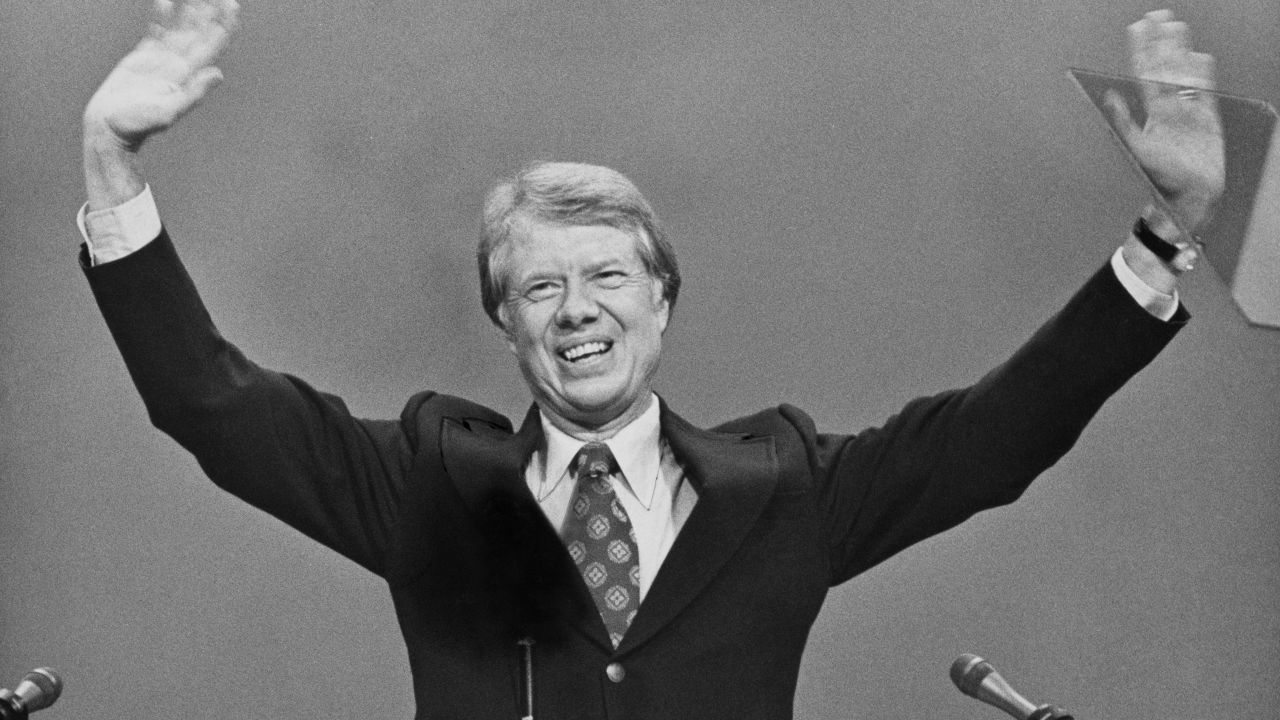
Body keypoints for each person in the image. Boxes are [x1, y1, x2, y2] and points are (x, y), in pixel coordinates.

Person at [77, 2, 1224, 718]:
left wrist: (1165, 232)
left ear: (661, 301)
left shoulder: (784, 492)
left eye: (606, 278)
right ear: (506, 323)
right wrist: (113, 169)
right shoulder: (427, 484)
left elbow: (995, 436)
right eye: (538, 286)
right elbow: (208, 400)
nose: (576, 311)